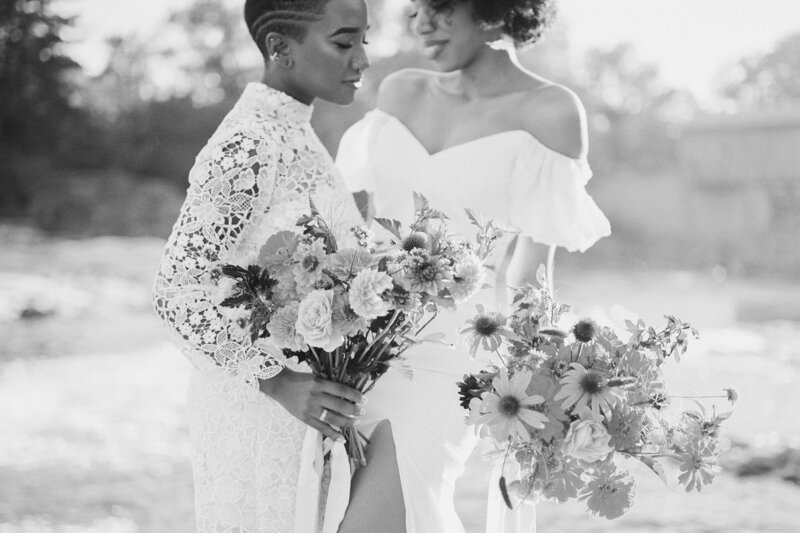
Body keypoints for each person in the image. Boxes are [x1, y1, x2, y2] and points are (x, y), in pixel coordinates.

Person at [335, 0, 610, 531]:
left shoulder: (549, 111)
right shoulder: (399, 91)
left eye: (440, 7)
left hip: (453, 355)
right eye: (415, 10)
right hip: (351, 344)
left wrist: (547, 383)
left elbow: (529, 274)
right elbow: (364, 230)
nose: (422, 24)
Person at [152, 0, 370, 531]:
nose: (362, 60)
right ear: (280, 48)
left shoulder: (300, 132)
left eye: (365, 40)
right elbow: (175, 290)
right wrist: (278, 382)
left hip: (309, 413)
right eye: (344, 43)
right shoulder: (248, 142)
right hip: (262, 412)